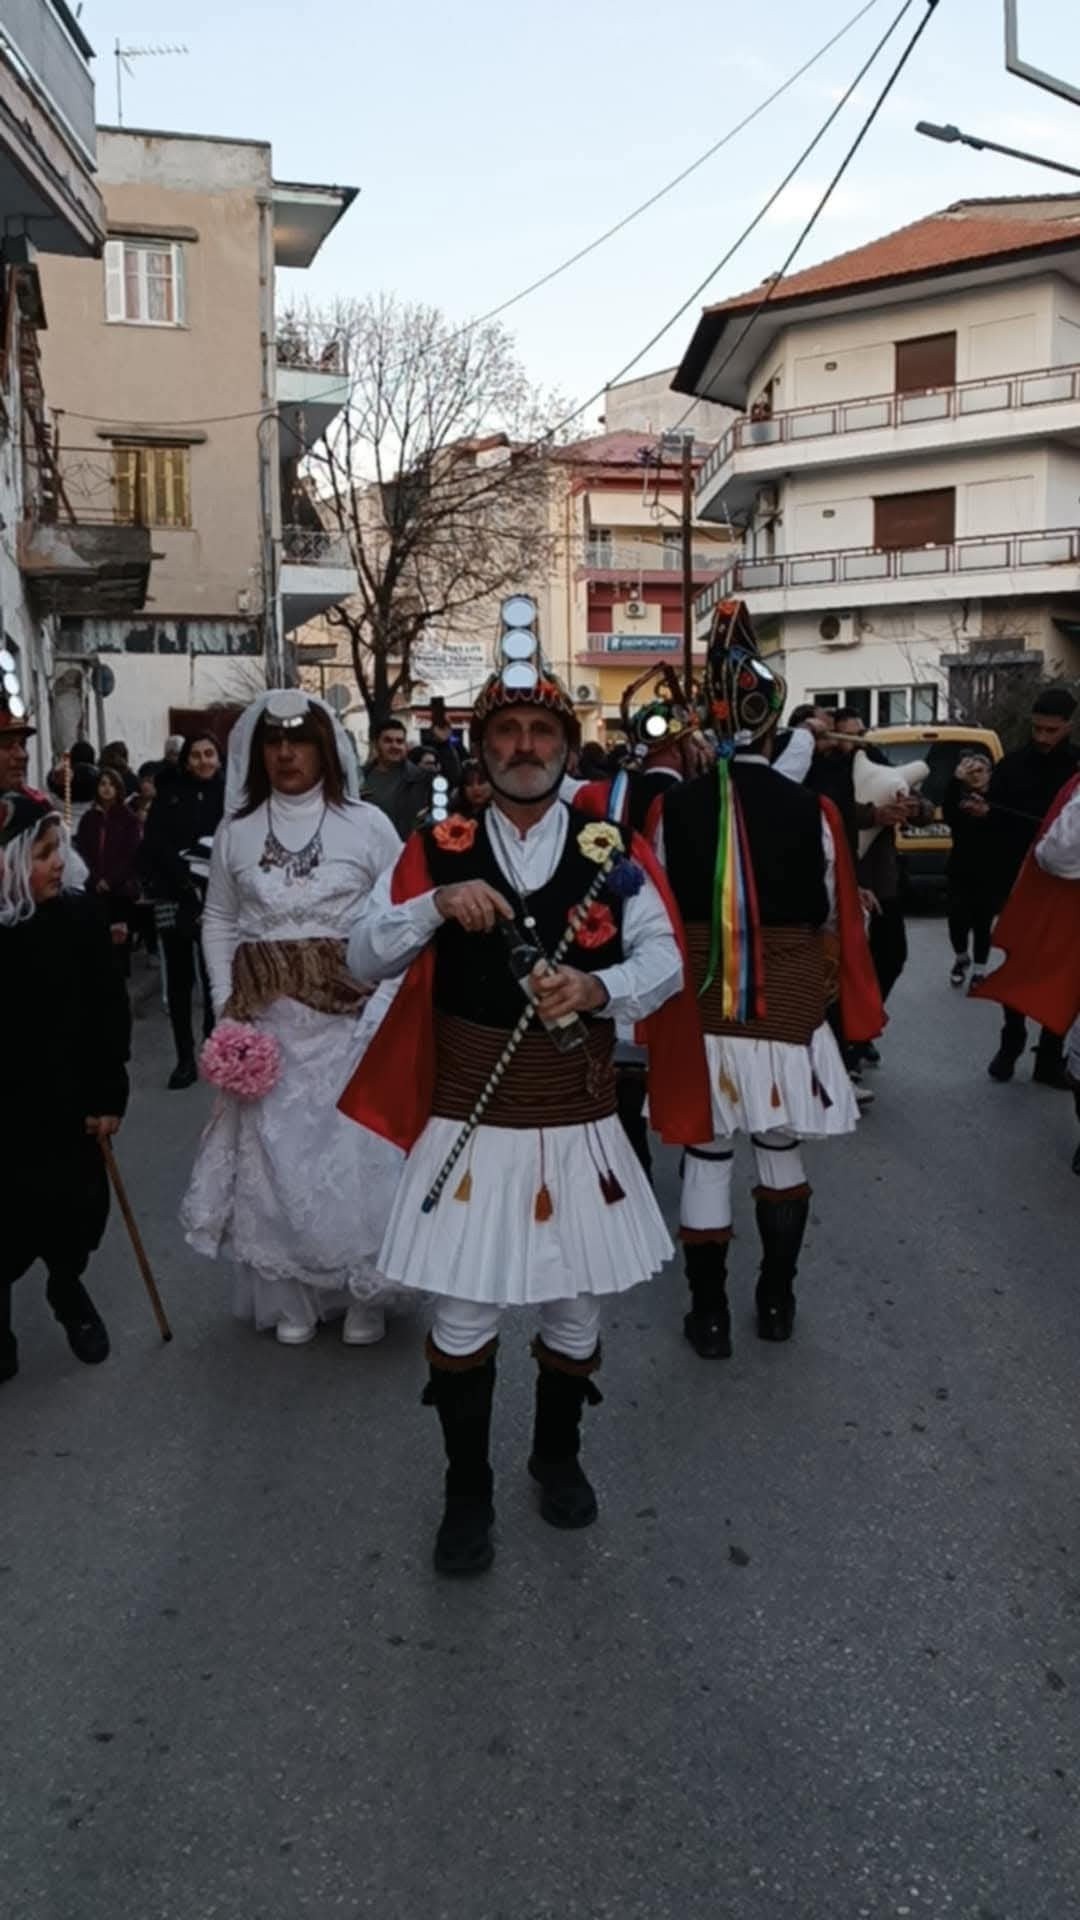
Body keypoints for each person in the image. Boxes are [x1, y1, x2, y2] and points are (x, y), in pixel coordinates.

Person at [339, 609, 707, 1576]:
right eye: (506, 733)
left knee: (573, 1309)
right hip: (470, 1109)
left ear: (565, 745)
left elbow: (666, 959)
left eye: (541, 732)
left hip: (579, 1111)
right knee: (463, 1313)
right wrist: (430, 906)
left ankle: (557, 1456)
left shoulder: (609, 846)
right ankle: (467, 1493)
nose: (525, 747)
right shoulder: (439, 843)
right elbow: (358, 954)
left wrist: (600, 987)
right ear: (481, 749)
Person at [661, 602, 882, 1362]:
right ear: (769, 724)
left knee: (708, 1153)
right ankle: (777, 1302)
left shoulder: (673, 807)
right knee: (780, 1145)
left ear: (712, 725)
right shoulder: (812, 807)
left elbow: (656, 909)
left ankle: (710, 1314)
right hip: (784, 1002)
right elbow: (827, 907)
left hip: (700, 1005)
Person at [181, 691, 406, 1345]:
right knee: (277, 1161)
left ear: (325, 750)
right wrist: (227, 1009)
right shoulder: (237, 831)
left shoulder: (367, 826)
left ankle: (363, 1293)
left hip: (351, 1022)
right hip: (268, 1028)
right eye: (274, 744)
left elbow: (396, 920)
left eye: (300, 741)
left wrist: (387, 1003)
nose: (286, 754)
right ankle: (295, 1296)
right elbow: (220, 921)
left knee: (354, 1155)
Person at [0, 793, 130, 1384]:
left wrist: (108, 1096)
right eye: (42, 853)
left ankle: (66, 1287)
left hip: (69, 1104)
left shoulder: (79, 919)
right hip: (7, 1111)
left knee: (74, 1213)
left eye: (59, 850)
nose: (58, 863)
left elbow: (109, 1013)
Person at [965, 688, 1079, 1086]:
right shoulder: (1011, 765)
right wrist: (982, 813)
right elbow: (992, 819)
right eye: (1037, 728)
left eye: (1052, 730)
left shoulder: (1076, 769)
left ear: (1068, 726)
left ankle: (1049, 1056)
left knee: (1063, 973)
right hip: (1016, 881)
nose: (1043, 737)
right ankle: (1011, 1040)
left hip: (1065, 890)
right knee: (1017, 964)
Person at [140, 732, 225, 1089]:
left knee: (214, 978)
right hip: (174, 896)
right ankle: (184, 1057)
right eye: (196, 755)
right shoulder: (169, 795)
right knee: (178, 981)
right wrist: (181, 880)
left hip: (217, 899)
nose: (204, 761)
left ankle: (214, 1044)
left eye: (210, 754)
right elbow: (154, 844)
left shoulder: (231, 797)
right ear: (185, 760)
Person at [74, 767, 143, 976]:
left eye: (111, 784)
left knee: (119, 942)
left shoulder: (129, 819)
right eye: (102, 784)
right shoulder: (88, 819)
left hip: (120, 890)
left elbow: (131, 855)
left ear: (118, 788)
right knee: (97, 940)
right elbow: (82, 852)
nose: (106, 788)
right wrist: (95, 878)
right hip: (94, 888)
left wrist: (111, 880)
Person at [942, 750, 995, 989]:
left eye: (980, 771)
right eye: (971, 771)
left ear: (990, 774)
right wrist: (956, 779)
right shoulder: (959, 798)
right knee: (957, 920)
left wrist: (989, 812)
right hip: (960, 868)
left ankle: (980, 970)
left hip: (988, 870)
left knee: (983, 922)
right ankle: (961, 957)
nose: (975, 776)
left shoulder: (997, 797)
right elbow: (948, 814)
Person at [361, 718, 436, 839]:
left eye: (399, 741)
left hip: (409, 851)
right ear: (376, 743)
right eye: (388, 741)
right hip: (371, 851)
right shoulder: (360, 779)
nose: (395, 746)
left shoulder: (420, 779)